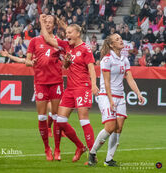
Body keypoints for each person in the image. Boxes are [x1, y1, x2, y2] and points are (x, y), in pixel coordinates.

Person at [40, 14, 99, 162]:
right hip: (70, 89)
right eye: (66, 34)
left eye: (69, 33)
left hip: (82, 87)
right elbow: (48, 39)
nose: (67, 36)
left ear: (78, 34)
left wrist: (94, 85)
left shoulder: (85, 49)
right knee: (60, 120)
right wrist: (66, 63)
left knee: (83, 120)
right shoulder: (67, 47)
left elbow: (91, 68)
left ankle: (92, 155)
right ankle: (80, 146)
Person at [88, 33, 145, 167]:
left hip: (120, 96)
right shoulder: (107, 60)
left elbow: (130, 79)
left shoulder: (124, 60)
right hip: (106, 96)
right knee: (110, 126)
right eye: (117, 39)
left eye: (120, 38)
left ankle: (108, 160)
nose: (121, 41)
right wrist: (110, 99)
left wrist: (138, 94)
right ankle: (92, 152)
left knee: (118, 128)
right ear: (111, 45)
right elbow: (106, 82)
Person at [25, 15, 65, 161]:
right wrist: (31, 62)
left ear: (54, 25)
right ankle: (47, 148)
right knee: (42, 117)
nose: (48, 24)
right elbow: (27, 61)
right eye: (45, 22)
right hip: (40, 82)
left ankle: (57, 149)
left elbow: (65, 61)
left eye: (50, 23)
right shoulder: (34, 41)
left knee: (56, 117)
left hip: (56, 82)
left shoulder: (58, 42)